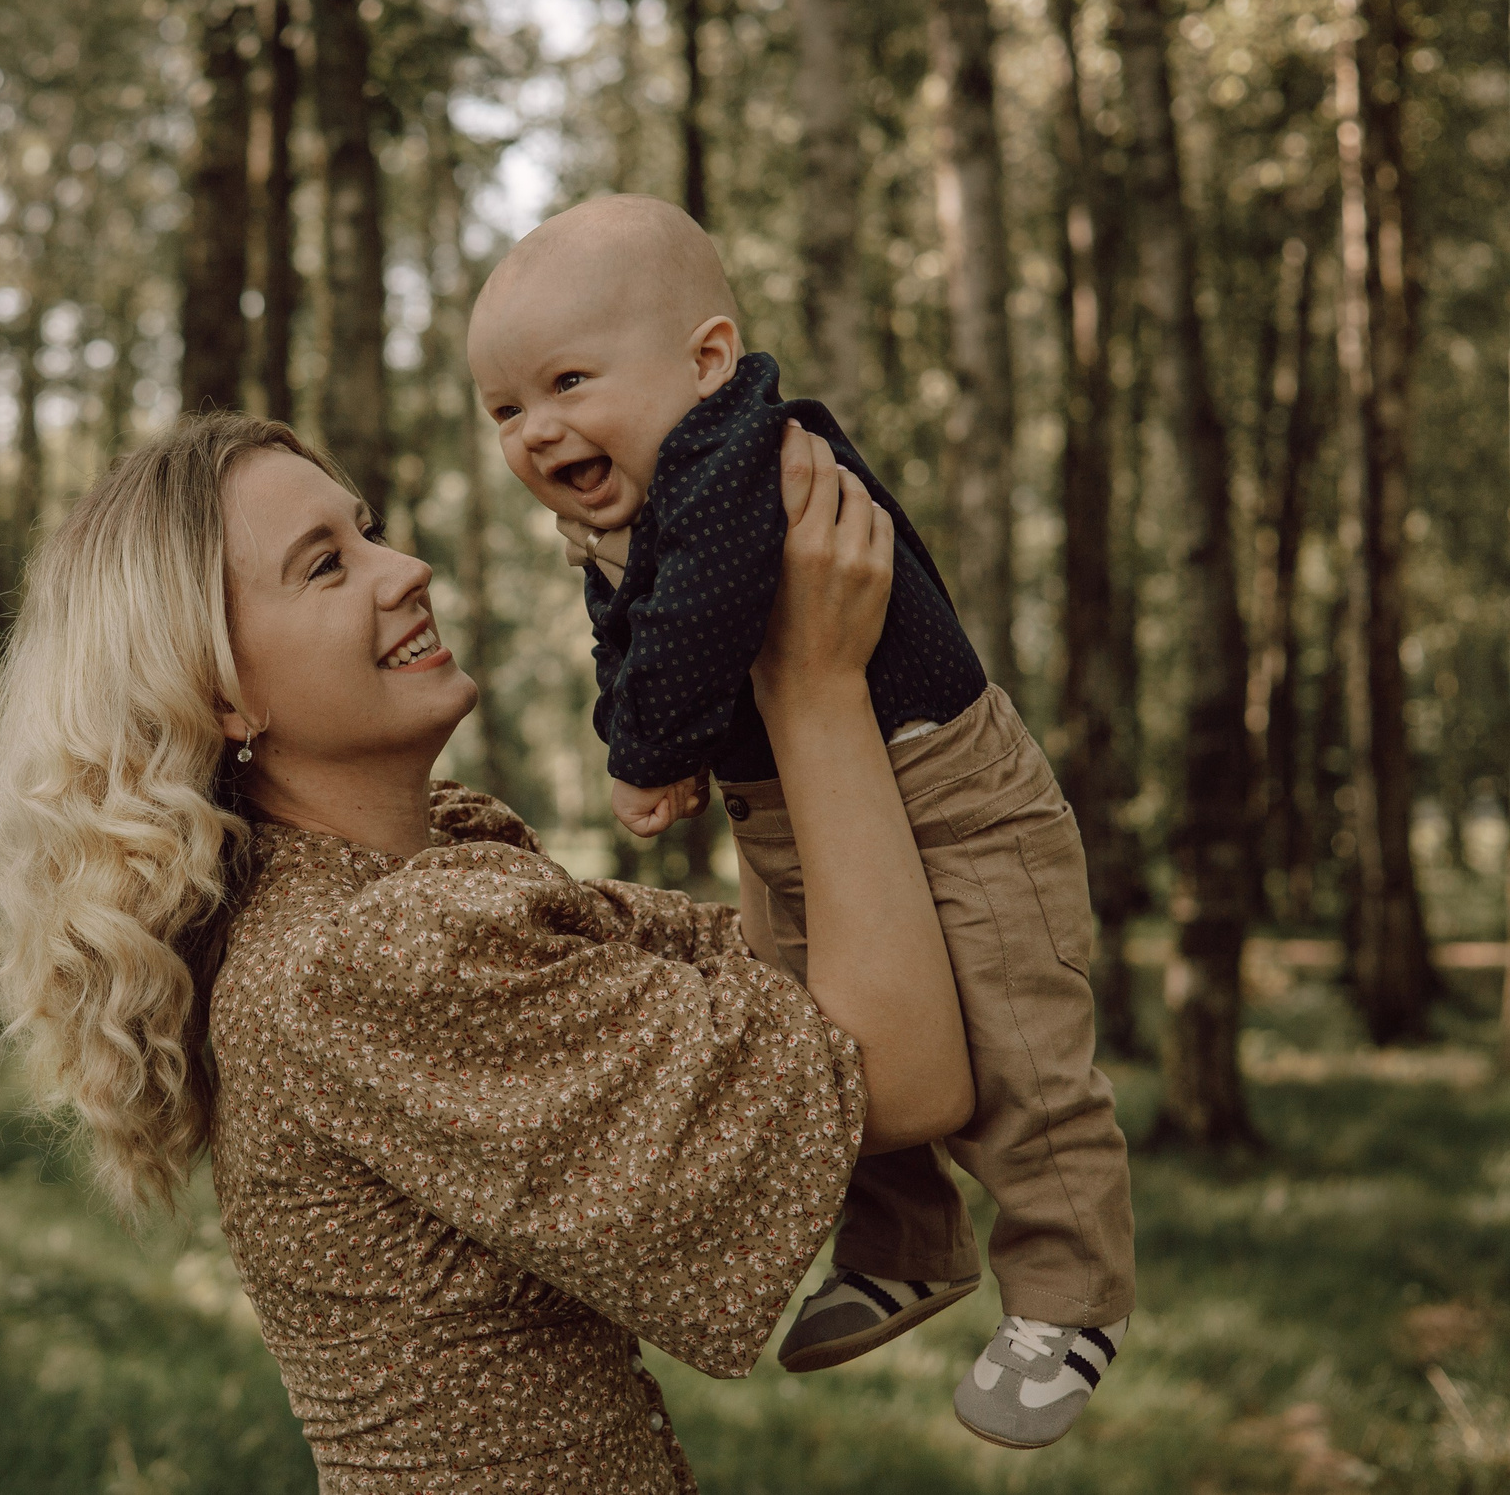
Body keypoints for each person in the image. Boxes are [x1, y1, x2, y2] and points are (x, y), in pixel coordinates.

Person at [0, 410, 974, 1490]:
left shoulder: (415, 881)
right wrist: (811, 686)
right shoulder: (364, 958)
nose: (407, 568)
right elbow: (895, 1072)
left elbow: (784, 985)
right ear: (220, 693)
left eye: (369, 531)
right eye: (325, 565)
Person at [464, 194, 1135, 1449]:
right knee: (827, 1038)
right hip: (791, 812)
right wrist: (657, 738)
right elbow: (634, 635)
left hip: (948, 799)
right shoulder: (637, 502)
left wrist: (644, 750)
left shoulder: (739, 462)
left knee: (1018, 1051)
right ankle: (904, 1246)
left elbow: (704, 619)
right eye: (505, 408)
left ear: (706, 362)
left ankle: (1069, 1295)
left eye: (566, 381)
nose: (537, 427)